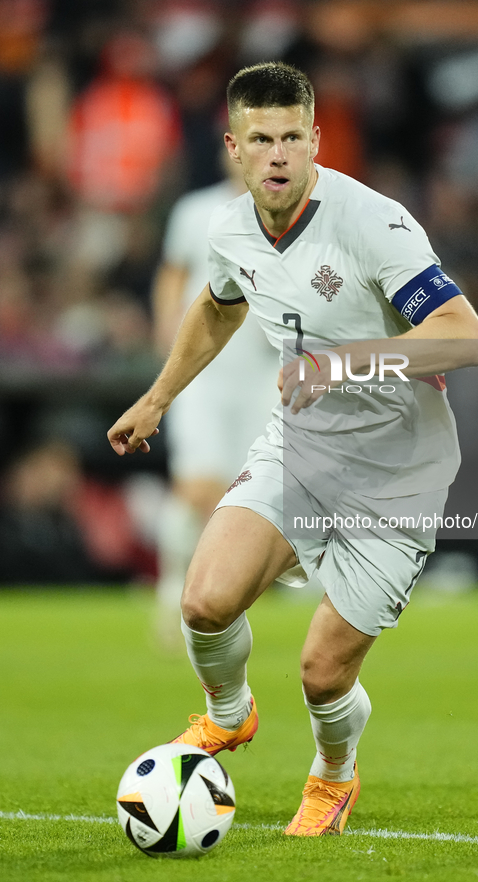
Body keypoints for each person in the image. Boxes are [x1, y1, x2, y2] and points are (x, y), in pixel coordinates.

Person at [108, 62, 478, 836]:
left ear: (315, 140)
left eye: (291, 137)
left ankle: (333, 776)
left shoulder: (371, 223)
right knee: (204, 600)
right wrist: (156, 397)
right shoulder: (230, 230)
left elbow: (464, 337)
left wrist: (338, 363)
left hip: (397, 470)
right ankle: (229, 714)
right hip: (304, 446)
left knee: (321, 673)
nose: (277, 154)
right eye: (260, 139)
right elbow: (217, 307)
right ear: (233, 148)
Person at [152, 155, 278, 648]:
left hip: (264, 372)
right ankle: (171, 595)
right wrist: (168, 333)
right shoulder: (194, 211)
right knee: (197, 487)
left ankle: (231, 602)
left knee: (253, 495)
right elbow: (173, 275)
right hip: (203, 375)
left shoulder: (292, 212)